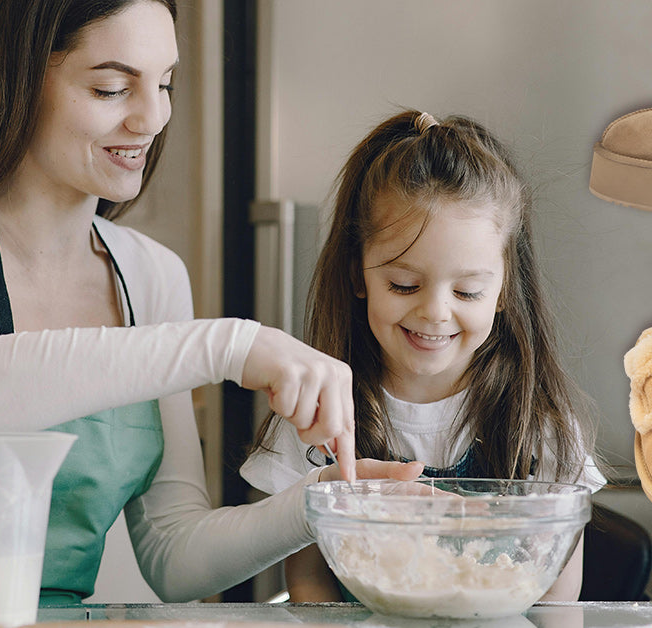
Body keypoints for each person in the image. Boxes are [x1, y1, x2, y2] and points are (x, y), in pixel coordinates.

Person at [0, 0, 422, 606]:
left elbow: (174, 555)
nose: (151, 118)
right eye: (112, 88)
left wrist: (320, 501)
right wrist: (231, 344)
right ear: (19, 82)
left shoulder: (149, 274)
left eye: (165, 84)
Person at [241, 110, 607, 602]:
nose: (435, 313)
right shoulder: (316, 415)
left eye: (469, 292)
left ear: (503, 291)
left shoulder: (540, 423)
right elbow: (309, 584)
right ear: (357, 276)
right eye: (404, 284)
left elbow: (557, 597)